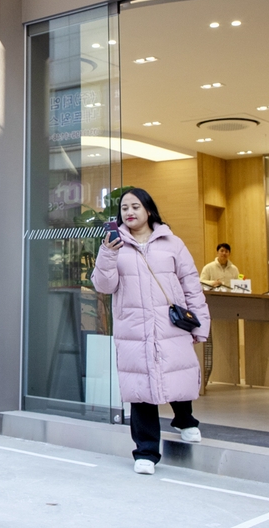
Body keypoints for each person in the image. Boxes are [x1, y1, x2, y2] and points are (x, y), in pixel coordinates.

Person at [92, 188, 210, 475]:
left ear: (148, 209)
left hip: (169, 324)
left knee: (176, 371)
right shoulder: (113, 246)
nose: (129, 212)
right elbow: (103, 286)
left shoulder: (172, 243)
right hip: (134, 328)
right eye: (124, 208)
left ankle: (185, 420)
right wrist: (108, 253)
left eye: (135, 206)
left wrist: (201, 324)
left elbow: (190, 284)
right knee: (140, 388)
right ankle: (145, 451)